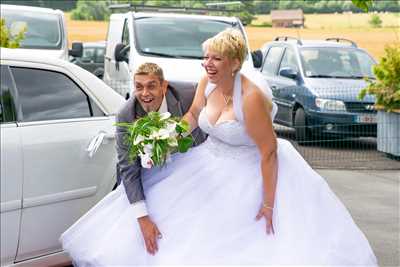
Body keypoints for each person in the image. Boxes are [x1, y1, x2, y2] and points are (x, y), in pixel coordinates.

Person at [60, 29, 377, 266]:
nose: (207, 63)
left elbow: (268, 152)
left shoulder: (251, 99)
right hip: (208, 162)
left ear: (235, 63)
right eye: (206, 57)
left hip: (252, 170)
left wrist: (269, 204)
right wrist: (166, 137)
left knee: (242, 245)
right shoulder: (206, 81)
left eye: (216, 58)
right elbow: (193, 116)